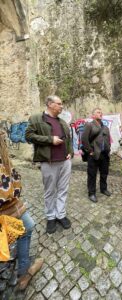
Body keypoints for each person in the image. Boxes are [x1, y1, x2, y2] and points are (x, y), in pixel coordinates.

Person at [0, 131, 43, 291]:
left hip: (9, 205)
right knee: (26, 227)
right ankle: (23, 273)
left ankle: (18, 265)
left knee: (25, 227)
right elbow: (9, 190)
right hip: (6, 208)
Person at [25, 95, 73, 234]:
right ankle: (51, 217)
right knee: (50, 191)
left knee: (63, 189)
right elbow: (28, 136)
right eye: (59, 104)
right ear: (50, 104)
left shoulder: (62, 122)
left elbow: (68, 139)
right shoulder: (36, 119)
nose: (61, 106)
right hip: (49, 161)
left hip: (65, 161)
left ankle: (61, 215)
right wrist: (49, 139)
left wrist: (69, 151)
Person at [81, 108, 111, 203]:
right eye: (98, 112)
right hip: (93, 154)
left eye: (101, 112)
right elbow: (84, 139)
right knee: (92, 174)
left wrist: (108, 148)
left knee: (104, 173)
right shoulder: (89, 125)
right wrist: (90, 151)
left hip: (105, 154)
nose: (101, 113)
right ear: (93, 115)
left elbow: (108, 140)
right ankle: (92, 193)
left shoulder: (105, 127)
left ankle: (103, 189)